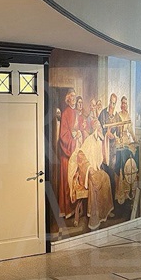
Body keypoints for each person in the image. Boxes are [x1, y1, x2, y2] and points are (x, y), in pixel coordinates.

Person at [58, 89, 77, 218]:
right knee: (66, 182)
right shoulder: (65, 113)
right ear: (67, 98)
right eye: (72, 96)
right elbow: (63, 136)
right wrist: (73, 141)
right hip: (67, 154)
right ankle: (67, 210)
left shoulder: (75, 112)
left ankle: (75, 209)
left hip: (75, 153)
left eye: (75, 96)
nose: (74, 98)